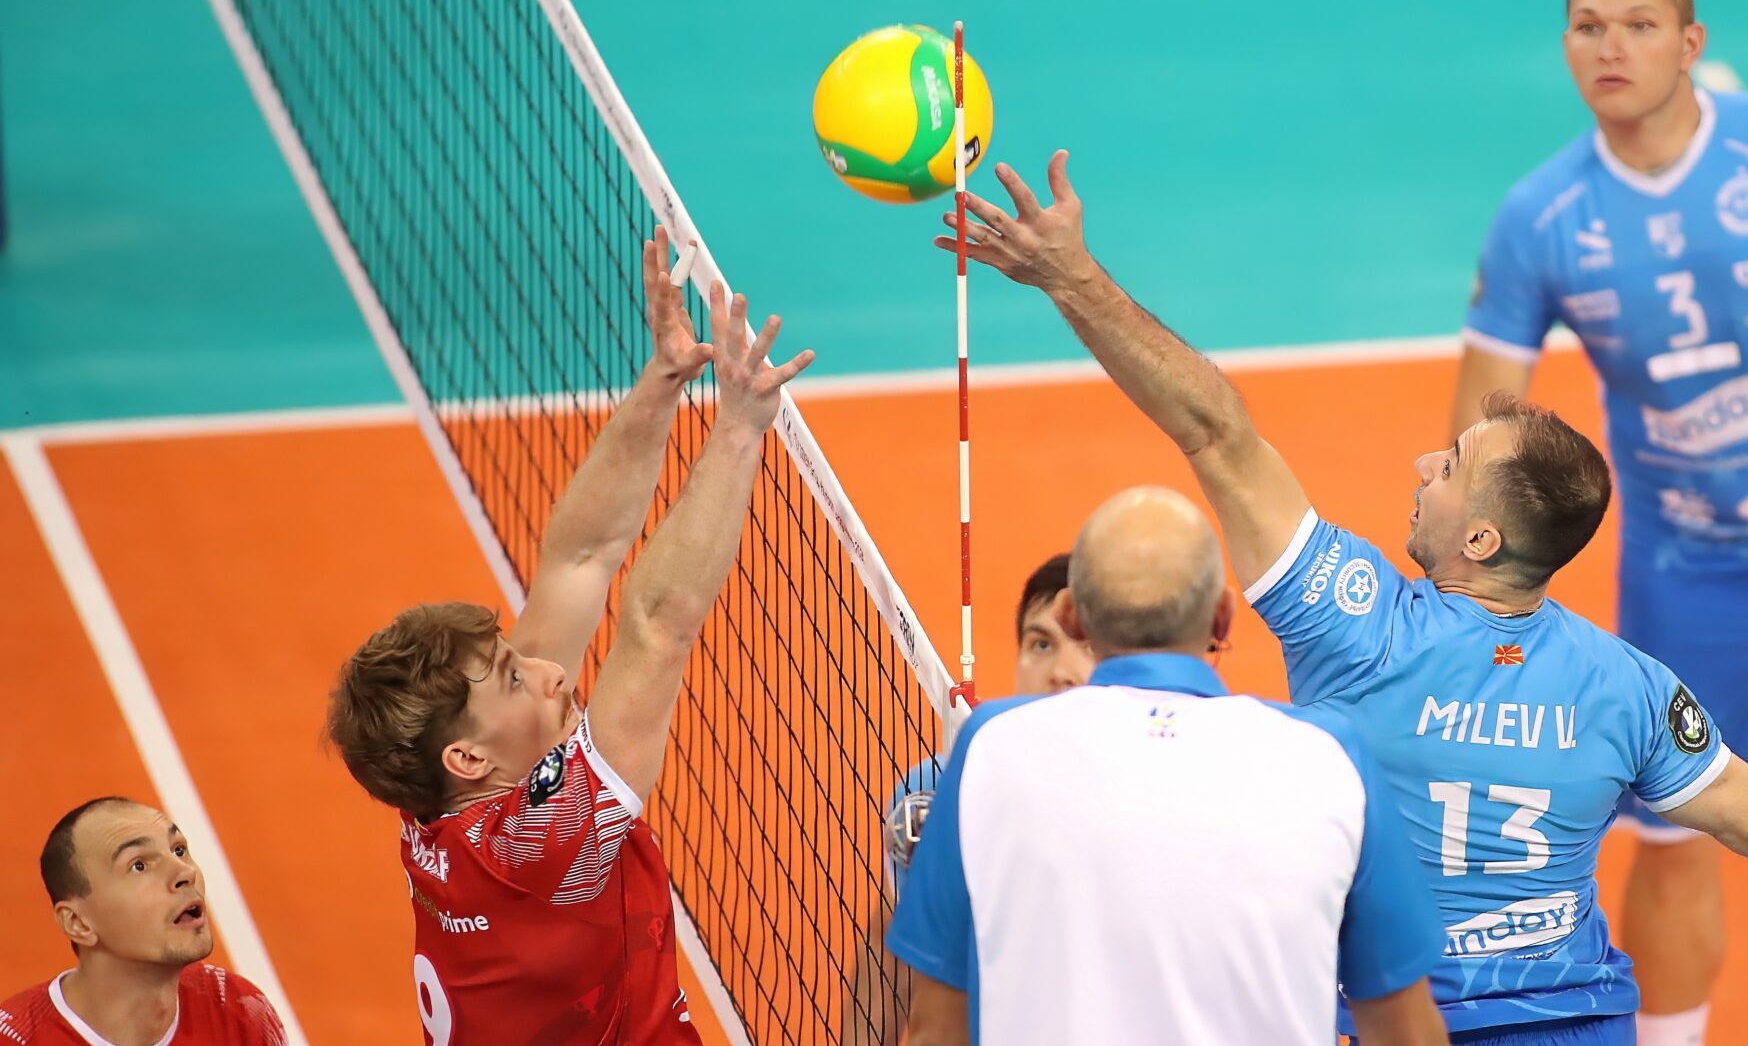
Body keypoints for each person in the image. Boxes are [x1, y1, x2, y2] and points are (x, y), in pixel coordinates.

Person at [936, 150, 1748, 1044]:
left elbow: (1216, 432)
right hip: (1576, 1022)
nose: (1423, 464)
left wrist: (1073, 277)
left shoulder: (1356, 622)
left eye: (1449, 467)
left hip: (1391, 1023)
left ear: (1481, 539)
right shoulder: (1627, 689)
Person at [1449, 0, 1748, 1043]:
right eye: (1588, 27)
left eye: (1640, 25)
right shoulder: (1540, 217)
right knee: (1673, 835)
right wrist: (1471, 585)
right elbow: (1478, 433)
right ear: (1565, 46)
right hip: (1689, 577)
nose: (1611, 47)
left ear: (1691, 43)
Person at [324, 227, 812, 1044]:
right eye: (514, 679)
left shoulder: (440, 804)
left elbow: (579, 559)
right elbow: (656, 628)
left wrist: (663, 378)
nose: (549, 673)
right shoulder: (543, 841)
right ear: (467, 757)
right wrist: (736, 429)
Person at [885, 486, 1448, 1046]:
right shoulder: (1331, 757)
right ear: (1222, 616)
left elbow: (937, 1029)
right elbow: (1405, 1031)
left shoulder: (989, 750)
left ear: (1071, 616)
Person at [842, 553, 1095, 1045]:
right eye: (1041, 643)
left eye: (1087, 645)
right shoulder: (941, 791)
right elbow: (894, 952)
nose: (1062, 672)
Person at [0, 797, 287, 1045]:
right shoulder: (16, 1038)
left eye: (178, 850)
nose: (185, 872)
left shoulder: (238, 1012)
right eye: (139, 865)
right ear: (78, 923)